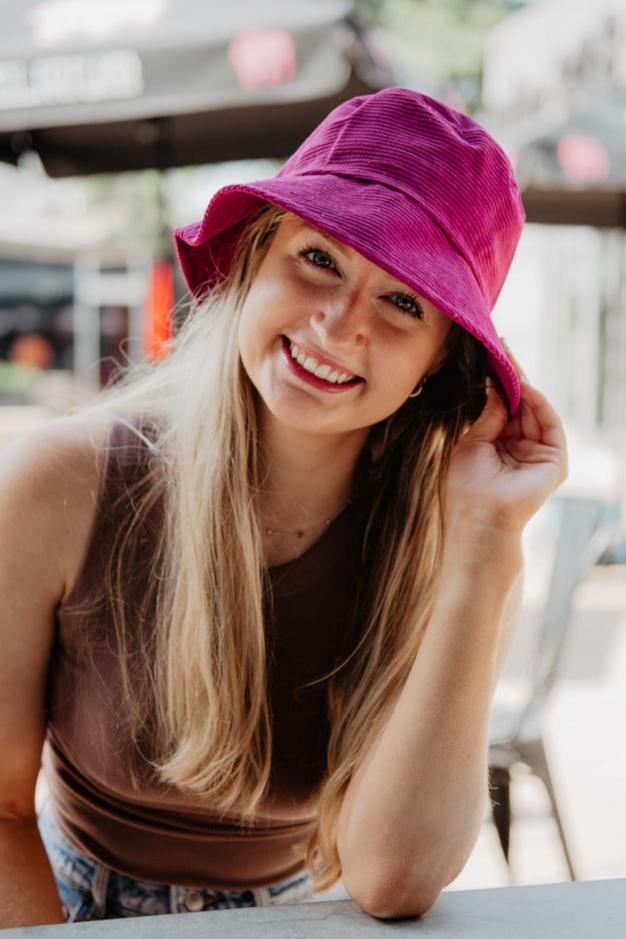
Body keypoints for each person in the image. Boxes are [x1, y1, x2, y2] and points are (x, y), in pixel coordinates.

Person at [0, 88, 567, 928]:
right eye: (319, 259)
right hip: (69, 908)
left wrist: (485, 546)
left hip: (308, 917)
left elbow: (390, 877)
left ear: (439, 367)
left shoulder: (457, 538)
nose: (339, 326)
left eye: (404, 300)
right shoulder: (61, 480)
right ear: (255, 258)